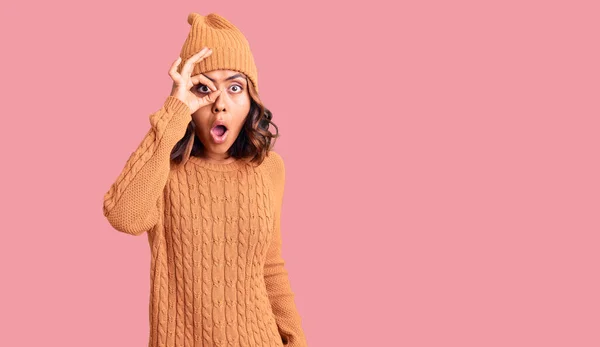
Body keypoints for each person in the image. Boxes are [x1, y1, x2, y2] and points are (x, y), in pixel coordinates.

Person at [102, 12, 307, 347]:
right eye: (203, 89)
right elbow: (123, 216)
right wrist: (174, 110)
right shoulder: (163, 169)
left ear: (251, 100)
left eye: (235, 88)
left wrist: (297, 338)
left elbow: (270, 266)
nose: (220, 104)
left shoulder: (269, 168)